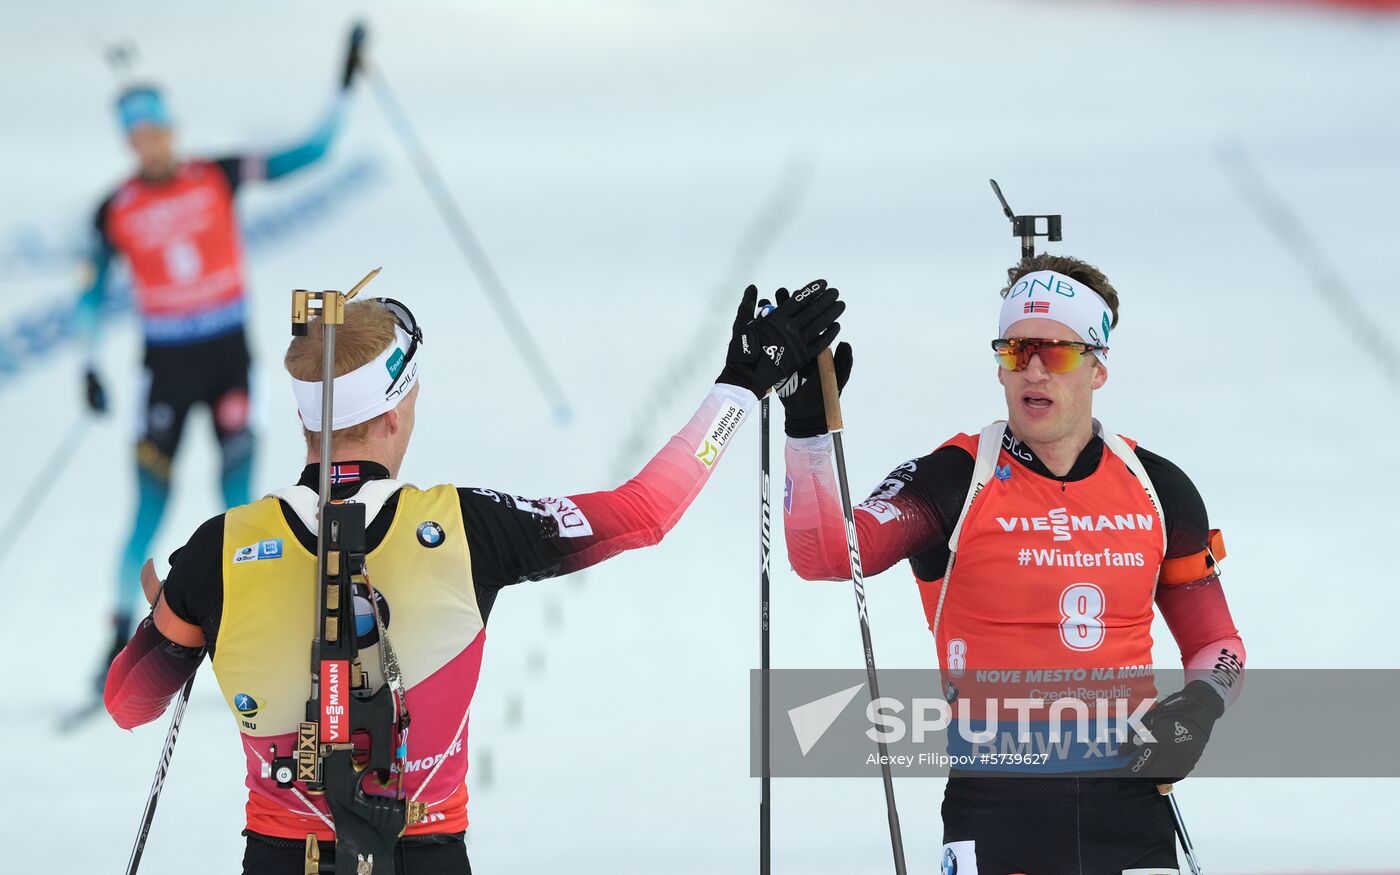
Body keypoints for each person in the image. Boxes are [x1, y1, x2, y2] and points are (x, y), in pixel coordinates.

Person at [103, 282, 843, 873]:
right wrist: (743, 385)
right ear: (394, 415)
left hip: (278, 854)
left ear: (306, 423)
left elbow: (129, 701)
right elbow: (646, 512)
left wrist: (170, 624)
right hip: (423, 851)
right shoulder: (466, 526)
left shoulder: (220, 548)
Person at [779, 256, 1245, 874]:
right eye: (1015, 349)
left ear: (1097, 365)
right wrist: (808, 431)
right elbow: (827, 555)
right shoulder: (954, 480)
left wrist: (1199, 708)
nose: (1032, 370)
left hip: (1131, 812)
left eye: (1054, 352)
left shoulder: (1157, 487)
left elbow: (1217, 643)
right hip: (999, 812)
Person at [78, 26, 367, 687]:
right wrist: (88, 364)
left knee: (241, 501)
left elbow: (311, 152)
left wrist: (343, 86)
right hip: (166, 369)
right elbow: (90, 295)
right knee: (147, 506)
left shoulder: (216, 174)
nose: (149, 142)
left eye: (156, 129)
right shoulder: (114, 209)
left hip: (228, 358)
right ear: (129, 141)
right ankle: (116, 643)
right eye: (137, 134)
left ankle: (257, 626)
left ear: (171, 129)